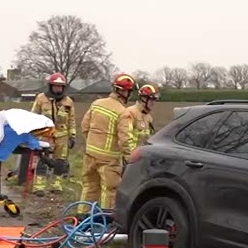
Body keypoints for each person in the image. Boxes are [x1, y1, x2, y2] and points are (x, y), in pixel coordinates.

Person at [79, 72, 135, 210]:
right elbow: (125, 140)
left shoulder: (97, 104)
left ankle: (82, 216)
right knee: (109, 190)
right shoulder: (124, 112)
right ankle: (105, 219)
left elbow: (84, 126)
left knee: (89, 186)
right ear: (125, 92)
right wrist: (131, 158)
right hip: (109, 159)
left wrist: (93, 143)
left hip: (90, 154)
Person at [29, 72, 77, 194]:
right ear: (50, 86)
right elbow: (33, 116)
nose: (58, 89)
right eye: (55, 86)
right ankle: (39, 187)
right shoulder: (41, 98)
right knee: (42, 160)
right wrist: (32, 134)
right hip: (45, 136)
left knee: (60, 162)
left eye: (60, 86)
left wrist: (72, 136)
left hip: (62, 137)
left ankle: (56, 185)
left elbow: (71, 120)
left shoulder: (68, 102)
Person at [120, 83, 160, 157]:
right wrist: (132, 158)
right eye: (151, 100)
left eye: (155, 100)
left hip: (142, 157)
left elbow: (148, 139)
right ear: (143, 99)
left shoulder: (148, 117)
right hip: (131, 159)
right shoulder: (130, 113)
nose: (154, 103)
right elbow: (125, 140)